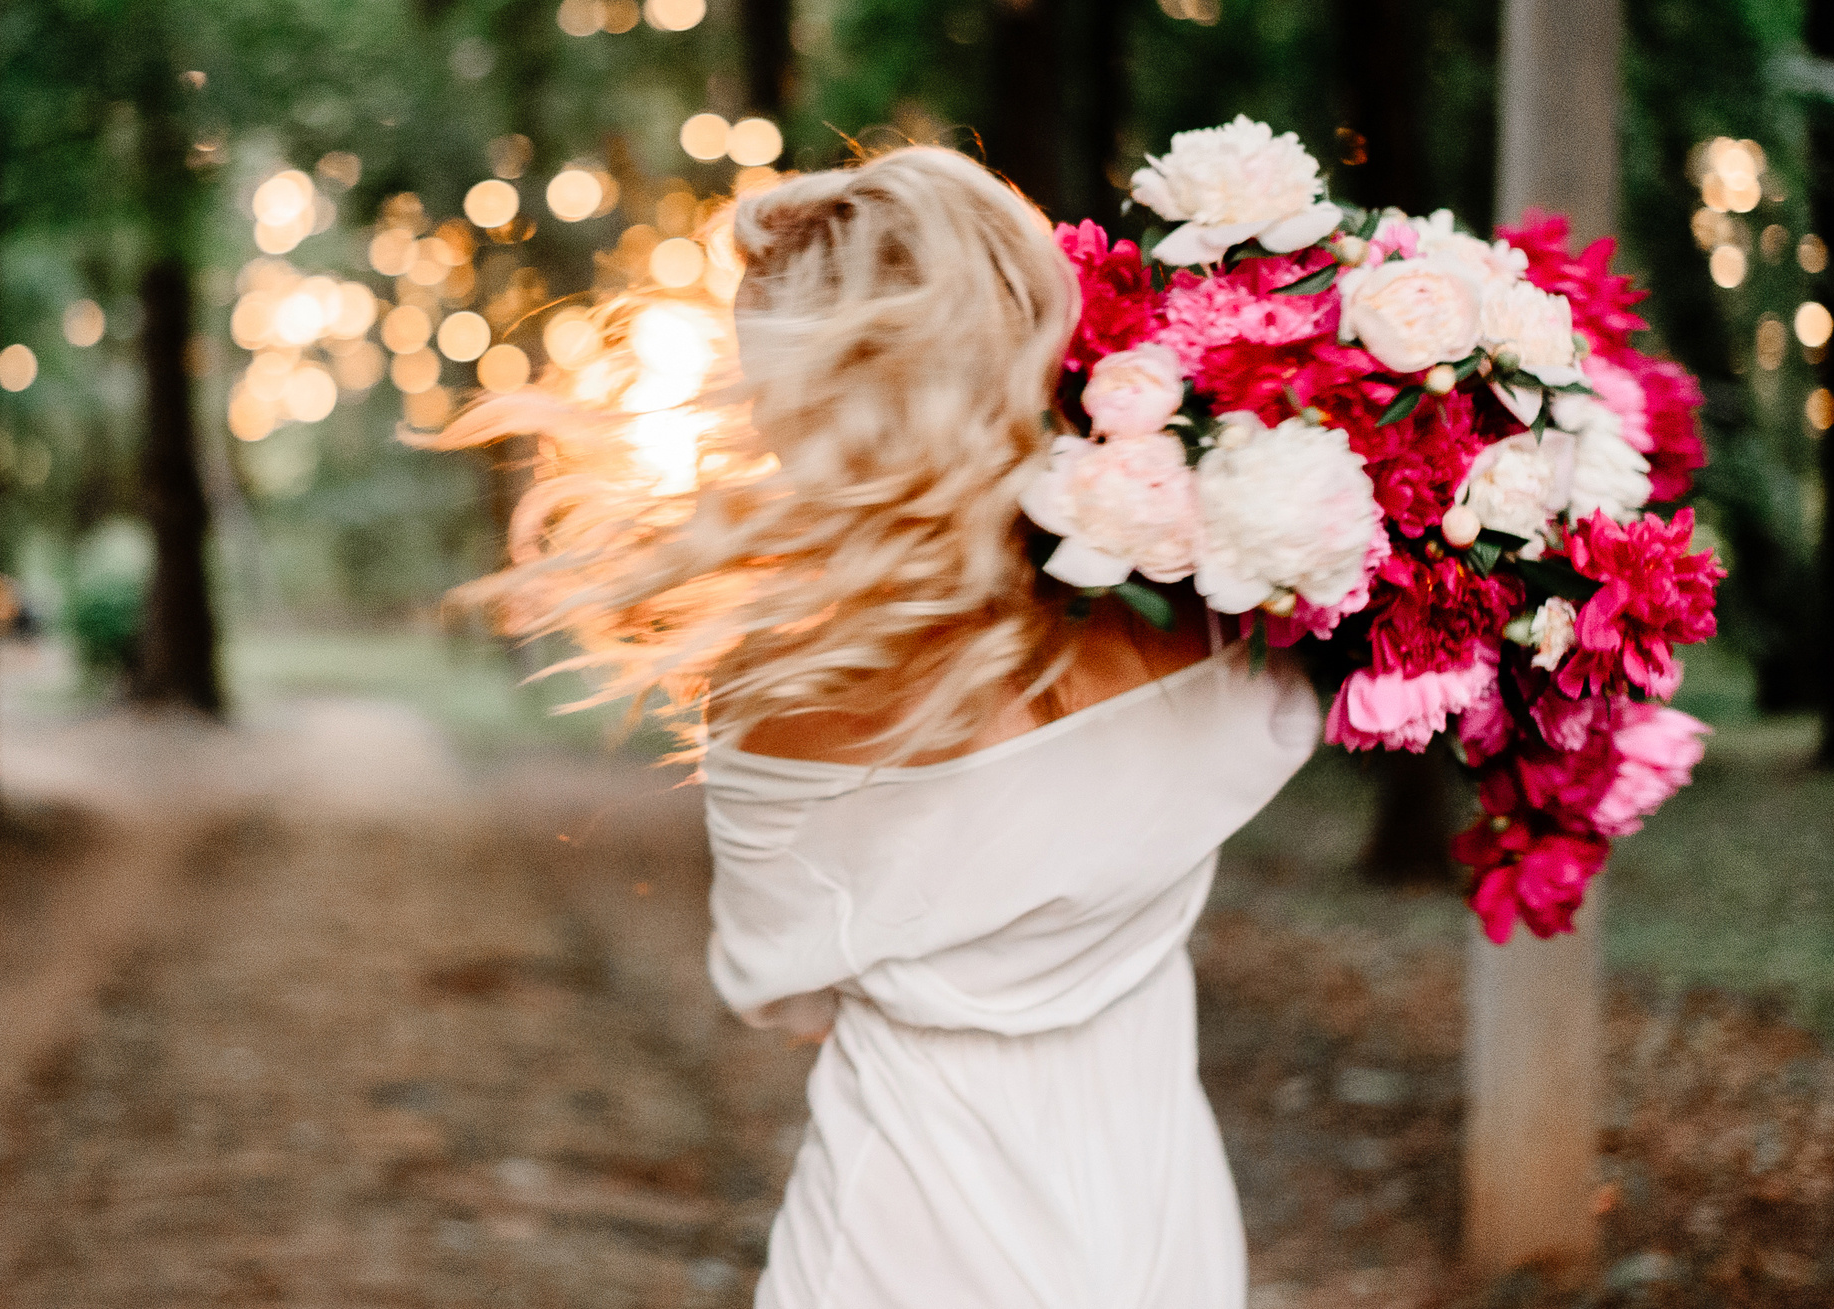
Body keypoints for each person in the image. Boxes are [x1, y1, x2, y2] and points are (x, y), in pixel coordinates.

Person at [441, 146, 1320, 1308]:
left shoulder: (784, 690)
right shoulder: (1221, 618)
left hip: (914, 1228)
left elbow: (778, 990)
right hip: (1160, 1215)